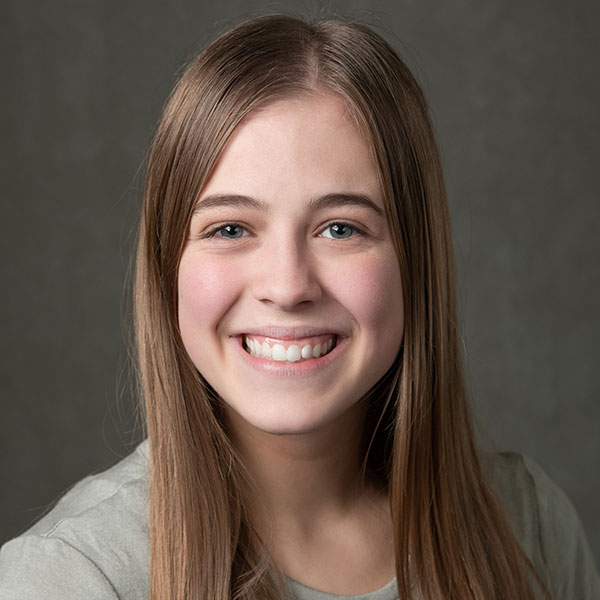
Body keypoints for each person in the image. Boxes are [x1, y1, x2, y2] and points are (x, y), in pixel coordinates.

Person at [0, 13, 598, 600]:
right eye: (230, 229)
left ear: (417, 260)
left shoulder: (531, 528)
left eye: (340, 229)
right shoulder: (68, 579)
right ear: (167, 266)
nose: (287, 287)